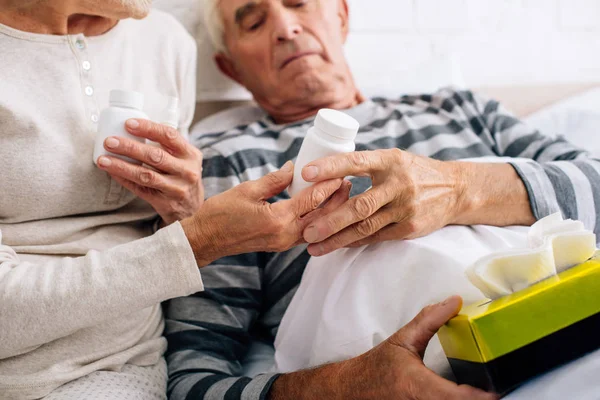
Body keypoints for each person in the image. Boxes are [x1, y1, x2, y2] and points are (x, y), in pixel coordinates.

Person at [165, 0, 600, 399]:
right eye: (255, 23)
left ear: (341, 16)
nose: (285, 27)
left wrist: (459, 188)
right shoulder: (232, 164)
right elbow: (193, 377)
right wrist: (352, 384)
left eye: (299, 3)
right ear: (232, 67)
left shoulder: (459, 108)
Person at [0, 1, 345, 399]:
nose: (286, 29)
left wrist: (183, 212)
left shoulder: (164, 41)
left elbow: (164, 244)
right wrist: (199, 240)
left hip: (133, 364)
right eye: (253, 23)